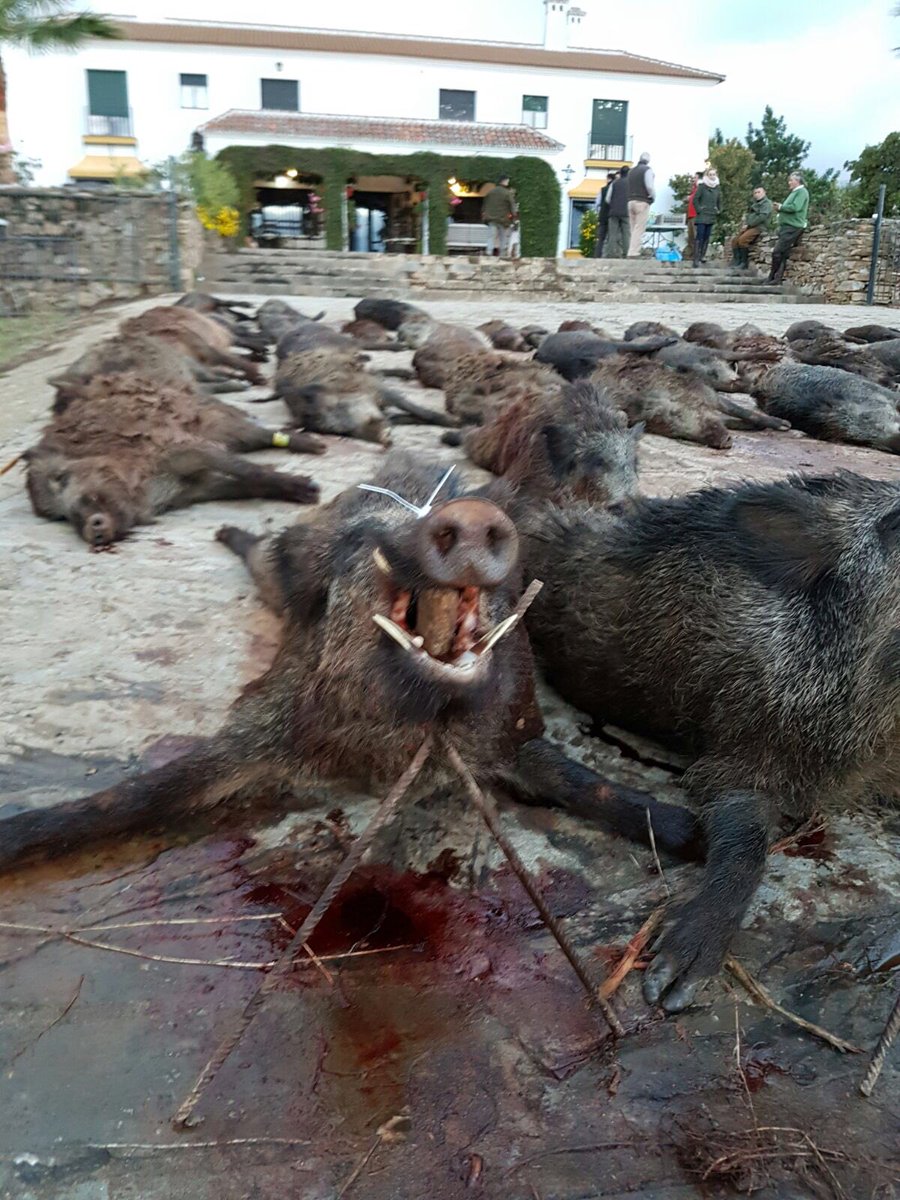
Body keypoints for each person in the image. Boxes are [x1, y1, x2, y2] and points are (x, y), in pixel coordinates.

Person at [767, 172, 809, 283]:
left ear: (797, 181)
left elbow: (796, 207)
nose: (789, 183)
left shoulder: (802, 192)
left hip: (793, 226)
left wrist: (781, 207)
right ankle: (777, 278)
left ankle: (772, 276)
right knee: (783, 253)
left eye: (791, 180)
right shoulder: (795, 192)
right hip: (787, 226)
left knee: (777, 251)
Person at [731, 185, 773, 268]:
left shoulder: (766, 204)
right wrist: (746, 224)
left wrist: (749, 224)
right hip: (750, 226)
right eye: (755, 193)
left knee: (743, 240)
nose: (757, 194)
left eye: (759, 192)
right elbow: (749, 215)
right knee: (735, 240)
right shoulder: (755, 204)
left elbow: (762, 217)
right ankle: (736, 261)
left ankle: (744, 263)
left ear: (764, 193)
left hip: (759, 227)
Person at [692, 166, 722, 267]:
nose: (712, 176)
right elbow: (695, 199)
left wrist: (718, 209)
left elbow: (719, 200)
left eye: (713, 174)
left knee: (707, 236)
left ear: (716, 175)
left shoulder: (717, 187)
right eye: (710, 175)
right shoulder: (702, 186)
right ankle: (696, 258)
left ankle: (702, 256)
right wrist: (699, 209)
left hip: (711, 215)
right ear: (707, 176)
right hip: (702, 215)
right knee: (700, 235)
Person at [626, 151, 655, 257]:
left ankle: (630, 250)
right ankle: (634, 252)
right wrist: (653, 197)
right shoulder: (647, 170)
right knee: (639, 227)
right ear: (648, 160)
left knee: (632, 228)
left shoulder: (631, 171)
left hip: (630, 201)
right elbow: (649, 186)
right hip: (642, 201)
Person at [481, 174, 517, 257]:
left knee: (491, 237)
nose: (508, 182)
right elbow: (512, 207)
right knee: (502, 237)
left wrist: (485, 214)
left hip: (491, 218)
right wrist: (514, 217)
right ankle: (502, 254)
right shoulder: (507, 193)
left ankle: (489, 252)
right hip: (503, 219)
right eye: (507, 181)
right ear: (504, 181)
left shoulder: (490, 192)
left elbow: (484, 205)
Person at [604, 166, 630, 258]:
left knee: (612, 234)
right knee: (626, 234)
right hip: (626, 212)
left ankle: (611, 253)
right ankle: (626, 253)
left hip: (613, 212)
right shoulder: (632, 184)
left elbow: (607, 199)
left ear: (621, 173)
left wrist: (614, 204)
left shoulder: (614, 183)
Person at [593, 170, 617, 258]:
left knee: (601, 238)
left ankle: (597, 255)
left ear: (608, 179)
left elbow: (597, 203)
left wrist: (598, 213)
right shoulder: (616, 189)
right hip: (613, 216)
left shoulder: (602, 189)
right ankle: (609, 255)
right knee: (612, 237)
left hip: (603, 216)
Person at [685, 170, 702, 259]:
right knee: (690, 236)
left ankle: (697, 255)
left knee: (696, 236)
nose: (693, 179)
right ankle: (691, 255)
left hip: (696, 215)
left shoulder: (700, 188)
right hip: (690, 215)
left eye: (695, 178)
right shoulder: (693, 189)